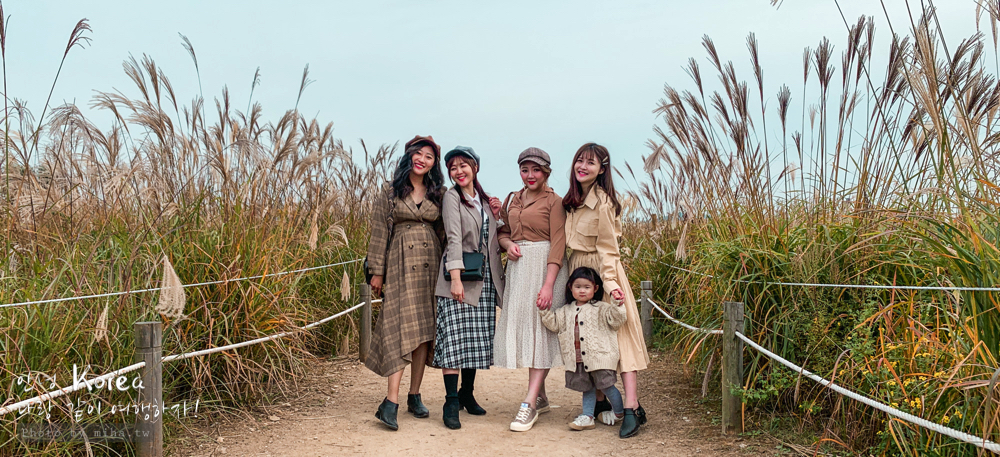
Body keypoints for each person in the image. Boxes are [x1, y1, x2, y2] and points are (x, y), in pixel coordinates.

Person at [563, 143, 650, 438]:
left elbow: (610, 252)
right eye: (579, 160)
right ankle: (599, 402)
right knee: (589, 339)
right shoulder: (574, 201)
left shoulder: (603, 202)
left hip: (602, 274)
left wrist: (610, 286)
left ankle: (631, 407)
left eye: (590, 162)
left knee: (620, 341)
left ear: (602, 169)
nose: (583, 166)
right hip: (580, 273)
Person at [365, 135, 446, 431]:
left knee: (424, 330)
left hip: (429, 265)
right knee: (398, 325)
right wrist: (377, 270)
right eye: (418, 153)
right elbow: (378, 230)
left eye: (429, 156)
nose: (421, 159)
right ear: (409, 155)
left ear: (434, 163)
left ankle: (414, 395)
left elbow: (446, 231)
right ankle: (391, 402)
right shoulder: (390, 190)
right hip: (399, 263)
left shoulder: (439, 192)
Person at [494, 147, 568, 432]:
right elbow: (502, 232)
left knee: (542, 332)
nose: (530, 175)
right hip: (520, 269)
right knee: (528, 331)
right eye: (525, 169)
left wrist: (549, 285)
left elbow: (559, 244)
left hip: (546, 269)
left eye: (535, 170)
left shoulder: (555, 202)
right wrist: (507, 246)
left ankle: (529, 403)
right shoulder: (513, 199)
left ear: (546, 172)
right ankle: (542, 395)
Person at [432, 146, 505, 430]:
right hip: (459, 278)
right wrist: (456, 278)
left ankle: (467, 393)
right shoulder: (452, 197)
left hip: (484, 280)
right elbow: (452, 237)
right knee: (454, 340)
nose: (458, 171)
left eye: (464, 165)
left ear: (475, 168)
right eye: (453, 167)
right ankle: (451, 401)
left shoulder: (484, 201)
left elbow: (491, 238)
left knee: (476, 340)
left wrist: (498, 216)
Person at [539, 267, 626, 431]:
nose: (582, 291)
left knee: (607, 386)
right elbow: (554, 324)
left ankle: (619, 413)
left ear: (596, 288)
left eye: (587, 287)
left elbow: (617, 320)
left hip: (601, 358)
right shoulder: (565, 310)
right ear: (570, 287)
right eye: (578, 286)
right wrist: (544, 310)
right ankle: (588, 416)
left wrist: (617, 303)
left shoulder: (602, 308)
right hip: (577, 360)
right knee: (587, 389)